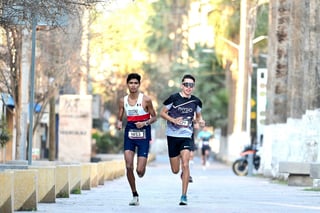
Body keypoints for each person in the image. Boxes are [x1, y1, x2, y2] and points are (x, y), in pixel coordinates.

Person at [160, 74, 205, 205]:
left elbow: (198, 117)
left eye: (191, 85)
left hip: (186, 135)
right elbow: (162, 113)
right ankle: (181, 172)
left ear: (193, 87)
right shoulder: (173, 98)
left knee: (185, 164)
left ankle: (184, 196)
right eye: (186, 84)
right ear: (182, 85)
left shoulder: (196, 101)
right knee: (175, 170)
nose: (188, 87)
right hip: (172, 136)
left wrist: (200, 122)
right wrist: (173, 120)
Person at [117, 73, 157, 206]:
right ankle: (134, 194)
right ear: (127, 84)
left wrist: (144, 123)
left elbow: (154, 117)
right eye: (131, 83)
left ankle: (141, 169)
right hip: (130, 132)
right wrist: (118, 122)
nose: (133, 85)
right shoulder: (123, 100)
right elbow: (120, 114)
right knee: (128, 166)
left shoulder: (145, 100)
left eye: (135, 83)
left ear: (139, 85)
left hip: (143, 133)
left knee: (140, 171)